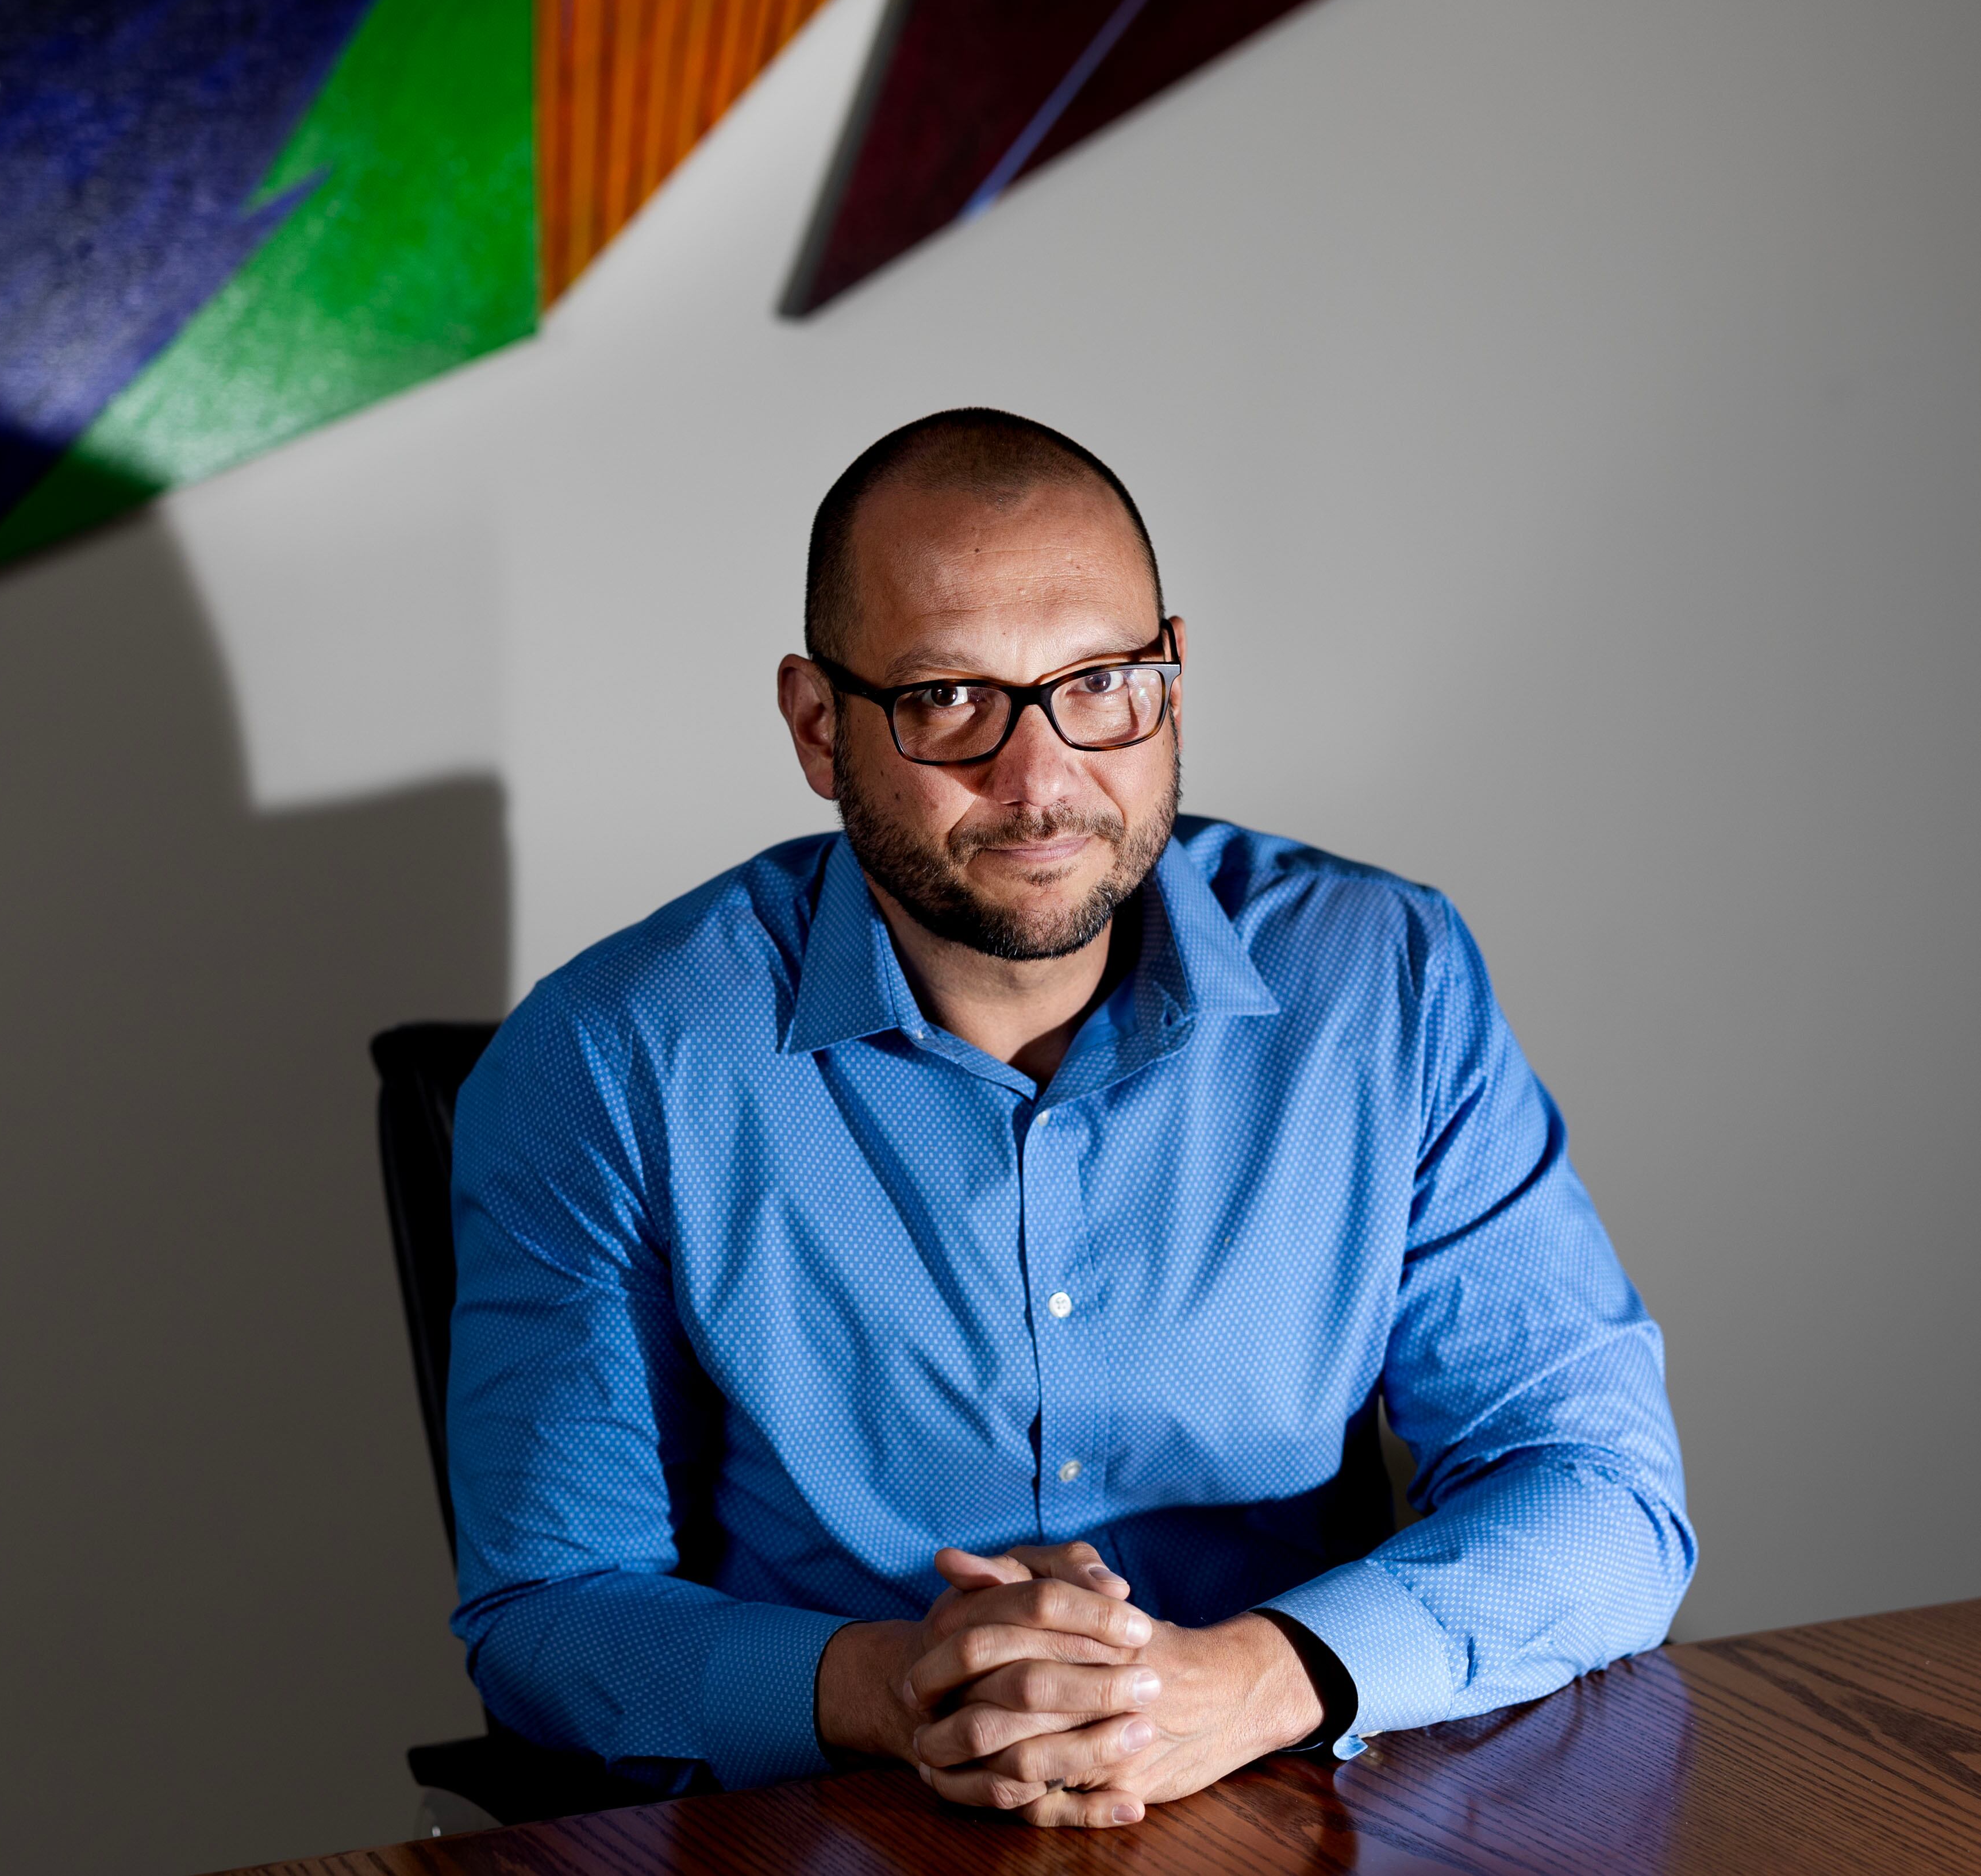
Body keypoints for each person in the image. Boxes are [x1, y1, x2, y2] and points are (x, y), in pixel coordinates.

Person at [443, 408, 1695, 1828]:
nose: (1039, 779)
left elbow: (1598, 1489)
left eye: (1098, 682)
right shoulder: (613, 1058)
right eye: (947, 699)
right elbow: (551, 1610)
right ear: (816, 723)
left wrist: (1245, 1683)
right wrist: (905, 1688)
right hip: (840, 1828)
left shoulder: (1381, 982)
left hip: (1292, 1804)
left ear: (1171, 672)